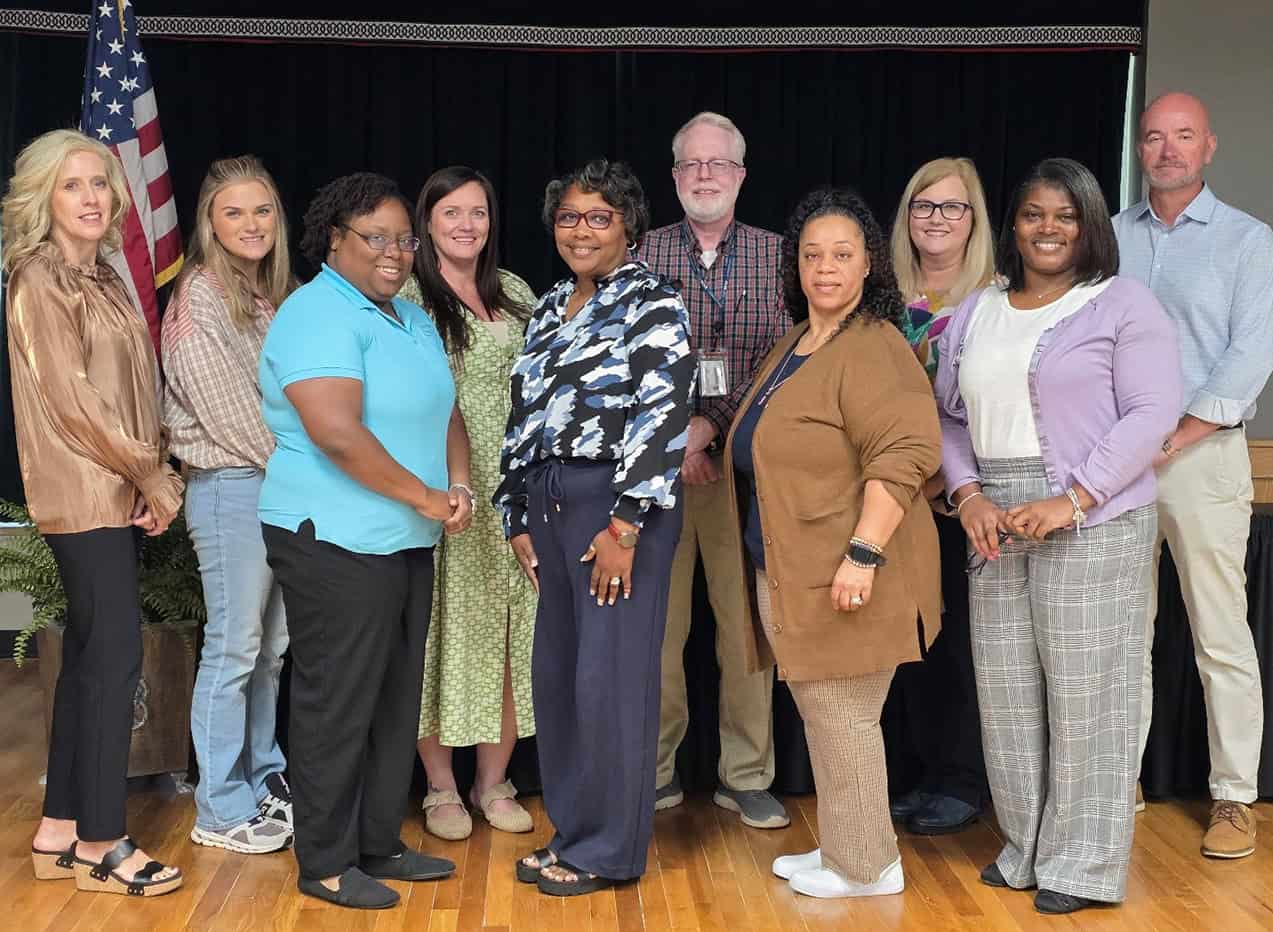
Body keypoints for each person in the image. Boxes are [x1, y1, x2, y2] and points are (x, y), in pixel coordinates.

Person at [937, 158, 1181, 914]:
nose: (1047, 228)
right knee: (1007, 692)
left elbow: (1152, 413)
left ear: (1089, 226)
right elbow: (945, 414)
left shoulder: (1121, 304)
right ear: (1011, 226)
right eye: (1033, 214)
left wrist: (1071, 498)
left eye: (1065, 215)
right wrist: (967, 493)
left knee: (1087, 695)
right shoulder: (977, 309)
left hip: (1093, 514)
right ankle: (1025, 850)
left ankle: (1081, 864)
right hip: (994, 517)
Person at [727, 186, 941, 899]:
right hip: (790, 564)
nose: (824, 267)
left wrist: (863, 554)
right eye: (811, 254)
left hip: (847, 570)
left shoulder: (873, 344)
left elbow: (905, 454)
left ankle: (866, 868)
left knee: (845, 714)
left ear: (868, 264)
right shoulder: (801, 340)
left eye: (841, 254)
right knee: (826, 714)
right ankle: (852, 847)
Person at [259, 172, 465, 909]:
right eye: (374, 237)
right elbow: (338, 434)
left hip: (405, 539)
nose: (394, 252)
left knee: (392, 702)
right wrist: (426, 497)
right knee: (337, 702)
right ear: (333, 240)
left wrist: (458, 489)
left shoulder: (406, 317)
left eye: (403, 238)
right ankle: (324, 860)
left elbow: (445, 413)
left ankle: (377, 842)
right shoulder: (315, 313)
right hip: (333, 539)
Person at [498, 159, 694, 896]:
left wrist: (626, 522)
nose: (581, 230)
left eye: (598, 217)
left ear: (629, 227)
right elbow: (526, 415)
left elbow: (661, 413)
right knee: (559, 679)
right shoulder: (549, 306)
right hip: (548, 503)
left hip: (613, 507)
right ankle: (573, 833)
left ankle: (609, 850)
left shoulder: (653, 302)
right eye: (569, 217)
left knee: (608, 680)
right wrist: (515, 510)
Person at [3, 129, 184, 896]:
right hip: (81, 489)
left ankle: (58, 830)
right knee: (112, 661)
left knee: (86, 657)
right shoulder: (38, 279)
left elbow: (135, 389)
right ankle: (103, 843)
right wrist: (153, 474)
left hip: (119, 484)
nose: (91, 198)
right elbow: (74, 405)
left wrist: (148, 476)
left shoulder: (105, 275)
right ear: (43, 197)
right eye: (73, 185)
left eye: (101, 185)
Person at [1113, 92, 1273, 860]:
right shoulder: (1108, 238)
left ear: (1207, 147)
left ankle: (1233, 798)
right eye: (1152, 138)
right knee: (1121, 635)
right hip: (1114, 466)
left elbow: (1250, 355)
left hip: (1200, 458)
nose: (1167, 150)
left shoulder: (1249, 242)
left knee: (1218, 636)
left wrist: (1176, 434)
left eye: (1182, 137)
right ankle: (1117, 786)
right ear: (1138, 150)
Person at [637, 111, 789, 827]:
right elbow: (625, 367)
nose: (704, 175)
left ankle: (747, 775)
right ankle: (654, 772)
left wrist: (712, 431)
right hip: (657, 479)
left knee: (745, 633)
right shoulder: (637, 254)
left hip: (745, 476)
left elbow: (787, 365)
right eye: (691, 164)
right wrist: (679, 440)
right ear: (673, 178)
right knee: (657, 635)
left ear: (740, 176)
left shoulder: (782, 256)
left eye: (717, 164)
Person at [396, 167, 537, 841]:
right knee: (438, 636)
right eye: (450, 212)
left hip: (515, 492)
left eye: (476, 212)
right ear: (425, 222)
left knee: (512, 635)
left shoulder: (511, 293)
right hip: (443, 489)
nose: (464, 225)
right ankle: (441, 786)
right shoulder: (406, 297)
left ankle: (493, 781)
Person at [162, 155, 295, 856]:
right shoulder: (201, 295)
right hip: (232, 488)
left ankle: (262, 778)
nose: (251, 224)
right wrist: (308, 474)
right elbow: (228, 414)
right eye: (234, 212)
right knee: (235, 648)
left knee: (271, 650)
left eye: (262, 210)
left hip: (274, 488)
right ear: (210, 223)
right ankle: (218, 808)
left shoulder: (266, 295)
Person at [884, 157, 994, 836]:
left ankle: (963, 779)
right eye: (922, 206)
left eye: (950, 207)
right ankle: (922, 773)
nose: (935, 219)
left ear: (973, 218)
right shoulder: (881, 295)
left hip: (961, 496)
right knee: (908, 642)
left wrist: (948, 480)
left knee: (960, 644)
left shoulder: (997, 299)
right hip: (892, 498)